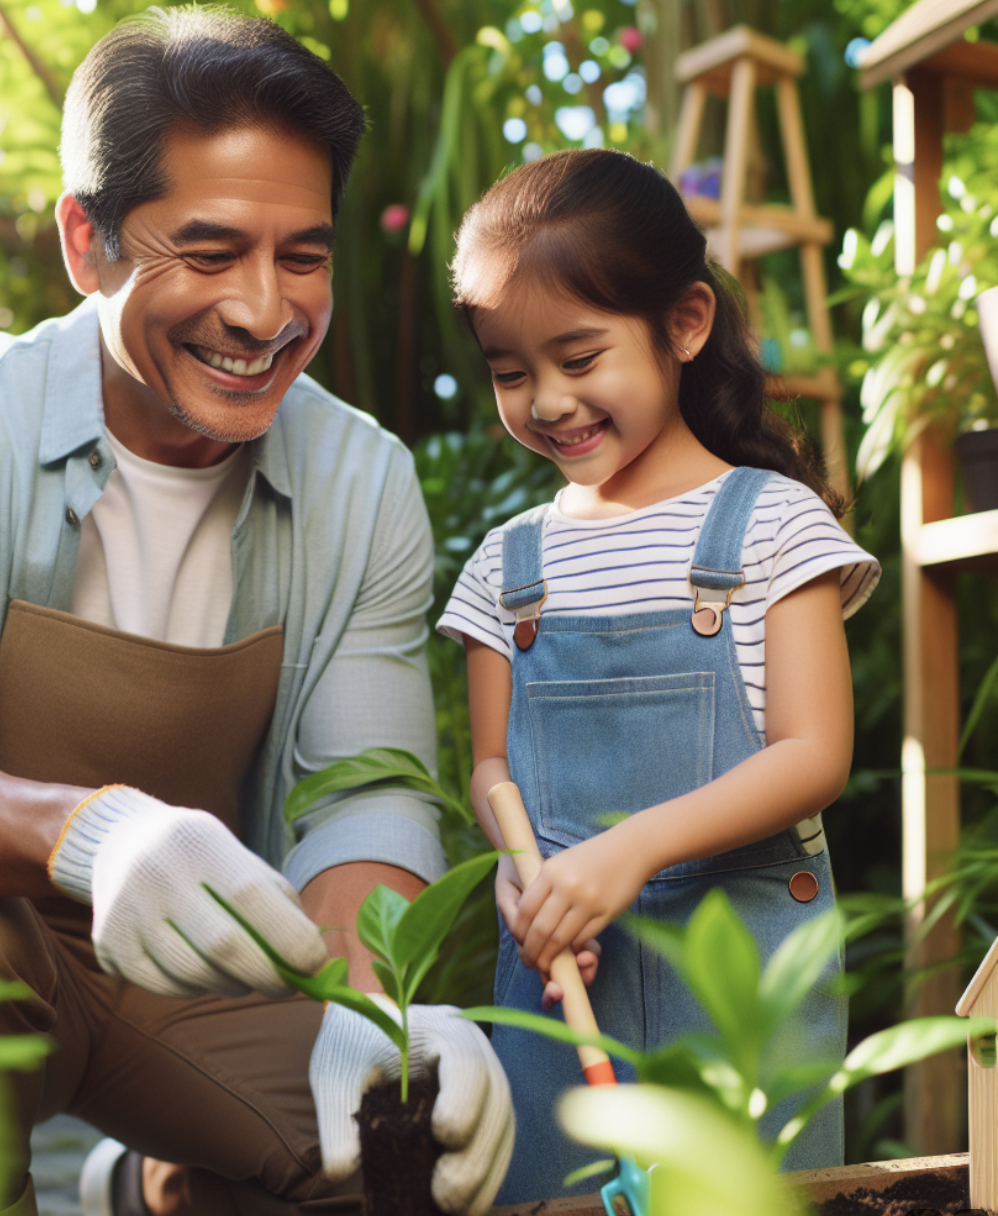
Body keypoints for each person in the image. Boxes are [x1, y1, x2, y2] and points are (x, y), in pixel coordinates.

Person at [0, 9, 512, 1216]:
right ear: (86, 241)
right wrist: (92, 835)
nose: (266, 313)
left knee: (408, 1143)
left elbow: (365, 790)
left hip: (208, 973)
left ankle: (161, 1185)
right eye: (209, 253)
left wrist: (380, 1018)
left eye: (303, 256)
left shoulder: (362, 481)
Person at [434, 148, 880, 1205]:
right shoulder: (508, 563)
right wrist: (521, 871)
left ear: (684, 324)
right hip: (560, 980)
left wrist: (627, 852)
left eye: (580, 357)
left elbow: (814, 755)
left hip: (737, 980)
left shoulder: (771, 521)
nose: (547, 401)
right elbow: (493, 762)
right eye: (510, 370)